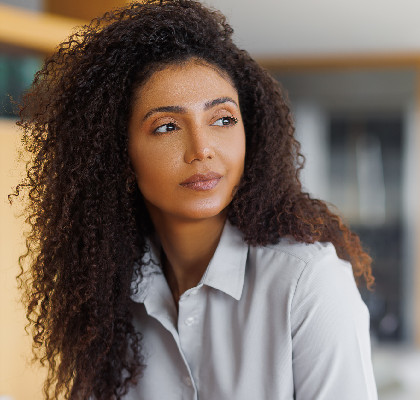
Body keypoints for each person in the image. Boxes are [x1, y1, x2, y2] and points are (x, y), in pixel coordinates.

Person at [11, 0, 378, 399]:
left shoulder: (308, 284)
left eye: (222, 119)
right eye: (167, 126)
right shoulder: (106, 297)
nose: (202, 149)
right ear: (118, 154)